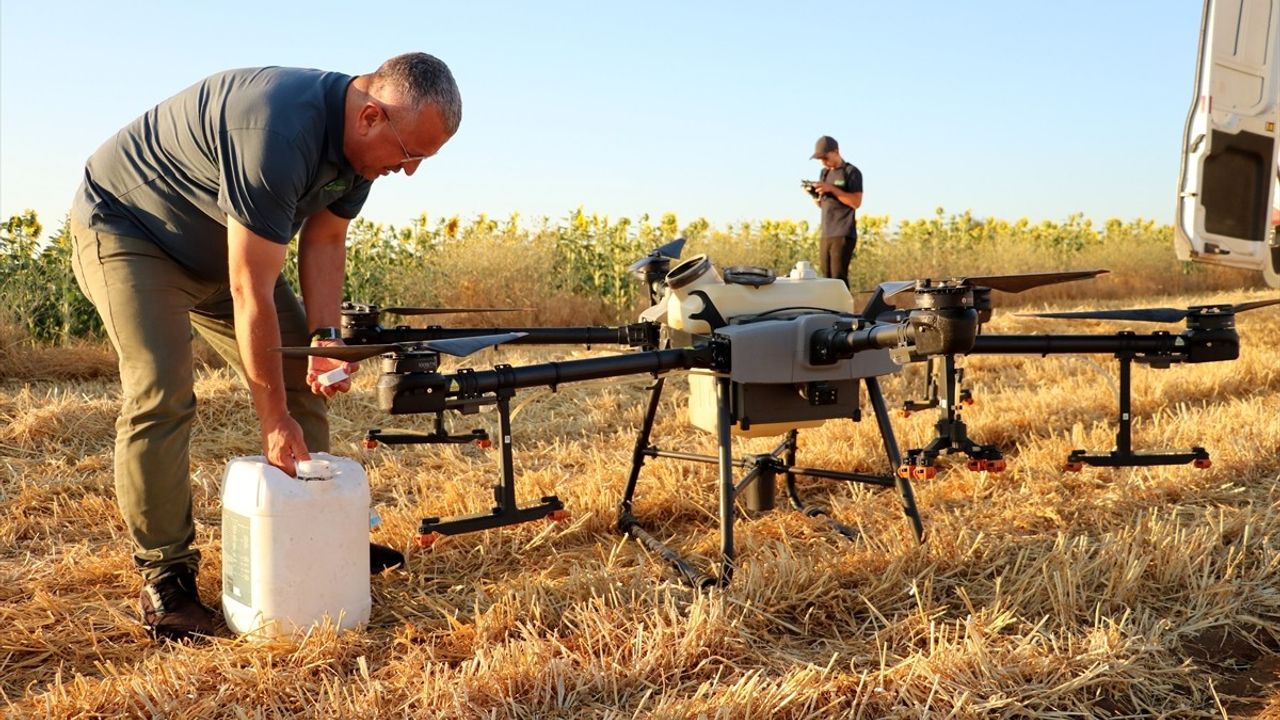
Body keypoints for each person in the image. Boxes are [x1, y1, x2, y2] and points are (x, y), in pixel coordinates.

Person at [68, 53, 461, 641]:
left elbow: (325, 241)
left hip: (225, 249)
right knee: (162, 390)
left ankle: (318, 530)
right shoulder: (276, 129)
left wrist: (325, 342)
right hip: (134, 233)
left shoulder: (362, 153)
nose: (408, 172)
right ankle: (166, 579)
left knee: (304, 370)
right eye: (410, 156)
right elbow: (249, 287)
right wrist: (271, 419)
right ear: (372, 116)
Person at [809, 135, 863, 286]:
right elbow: (823, 205)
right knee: (825, 279)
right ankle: (828, 309)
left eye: (825, 157)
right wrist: (814, 195)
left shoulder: (851, 172)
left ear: (836, 151)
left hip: (843, 232)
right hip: (827, 232)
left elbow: (856, 202)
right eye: (820, 159)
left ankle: (843, 309)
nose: (823, 162)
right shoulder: (824, 173)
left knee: (838, 278)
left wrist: (832, 189)